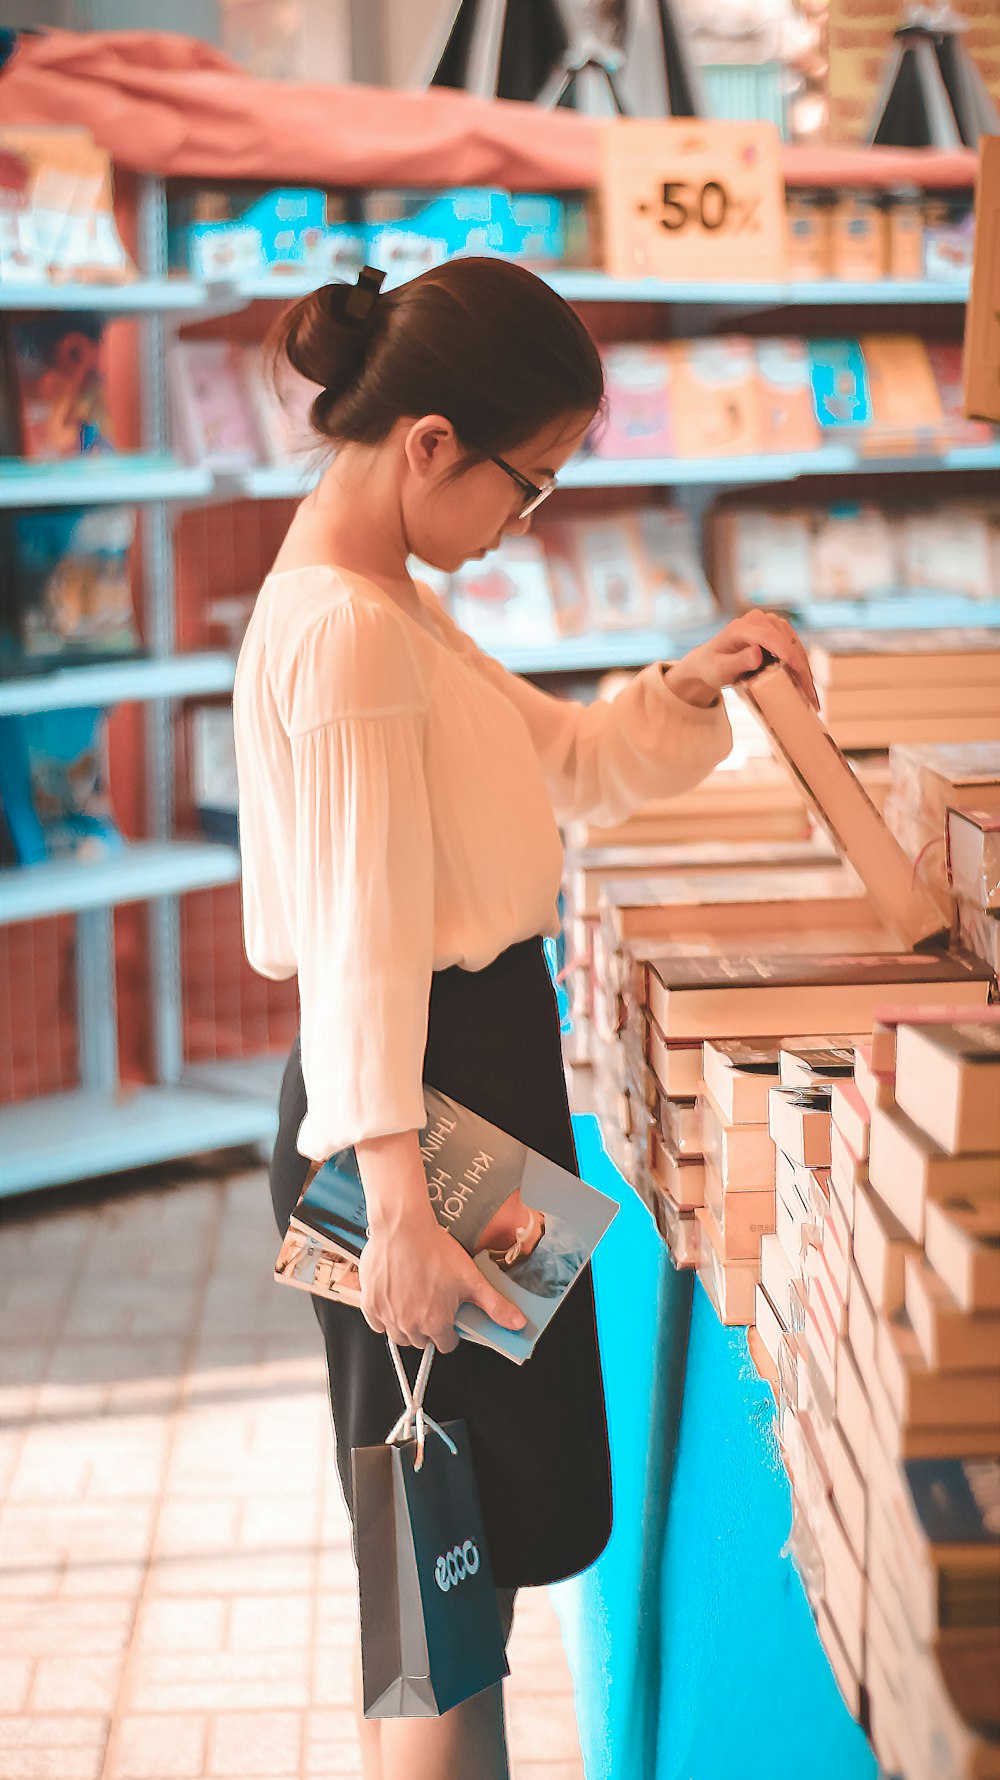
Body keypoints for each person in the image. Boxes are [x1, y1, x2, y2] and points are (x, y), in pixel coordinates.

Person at [232, 256, 819, 1780]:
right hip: (411, 1109)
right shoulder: (356, 634)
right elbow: (361, 945)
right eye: (528, 485)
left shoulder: (379, 602)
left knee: (467, 1546)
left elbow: (555, 758)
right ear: (431, 445)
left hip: (442, 1091)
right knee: (434, 1546)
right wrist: (399, 1207)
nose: (523, 524)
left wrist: (688, 687)